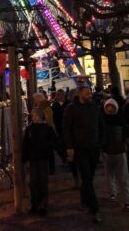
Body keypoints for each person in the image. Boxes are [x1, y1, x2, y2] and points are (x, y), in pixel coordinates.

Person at [63, 85, 104, 223]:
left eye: (90, 93)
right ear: (80, 94)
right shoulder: (71, 109)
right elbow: (67, 128)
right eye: (87, 93)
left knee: (89, 178)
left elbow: (101, 125)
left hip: (94, 147)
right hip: (80, 148)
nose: (90, 95)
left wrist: (101, 144)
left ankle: (84, 200)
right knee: (86, 176)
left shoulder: (94, 108)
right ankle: (95, 209)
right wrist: (69, 147)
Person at [23, 107, 57, 216]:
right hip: (34, 159)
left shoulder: (47, 129)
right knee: (33, 182)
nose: (34, 118)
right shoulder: (30, 129)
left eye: (36, 115)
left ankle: (42, 204)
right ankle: (35, 203)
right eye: (33, 116)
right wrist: (25, 157)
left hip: (42, 158)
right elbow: (26, 145)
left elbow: (52, 144)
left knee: (42, 181)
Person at [102, 98, 129, 211]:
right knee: (109, 175)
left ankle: (127, 200)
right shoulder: (102, 119)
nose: (110, 109)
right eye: (108, 107)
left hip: (119, 151)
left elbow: (125, 134)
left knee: (123, 176)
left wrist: (125, 145)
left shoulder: (121, 119)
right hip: (107, 152)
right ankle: (112, 194)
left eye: (111, 107)